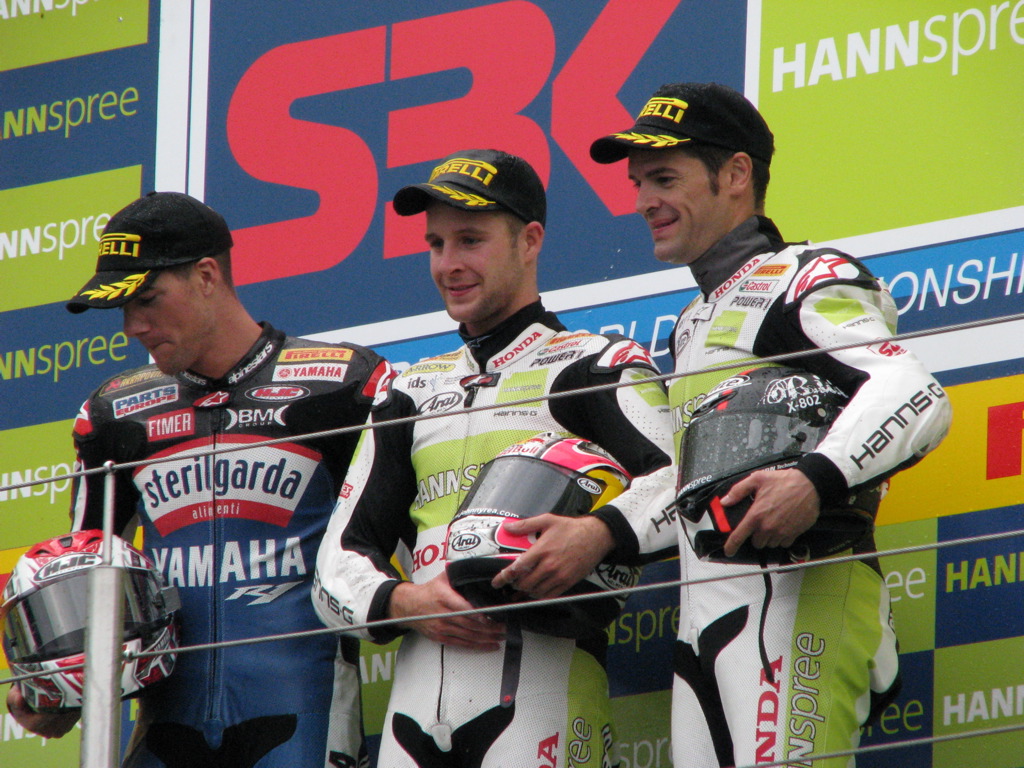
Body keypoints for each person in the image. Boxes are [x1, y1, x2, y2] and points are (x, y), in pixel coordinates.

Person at [589, 82, 952, 767]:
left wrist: (813, 481)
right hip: (704, 624)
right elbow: (688, 487)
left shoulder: (803, 277)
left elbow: (913, 390)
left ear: (735, 175)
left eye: (664, 178)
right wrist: (600, 533)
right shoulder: (692, 321)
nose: (643, 202)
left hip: (800, 602)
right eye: (638, 184)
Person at [312, 149, 676, 767]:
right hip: (411, 710)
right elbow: (334, 567)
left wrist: (595, 534)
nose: (448, 264)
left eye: (470, 240)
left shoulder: (594, 364)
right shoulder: (409, 391)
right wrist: (405, 603)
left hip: (547, 692)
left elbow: (677, 482)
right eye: (436, 244)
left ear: (529, 240)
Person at [6, 191, 394, 768]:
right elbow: (84, 573)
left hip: (304, 719)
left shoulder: (343, 386)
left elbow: (407, 549)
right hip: (165, 730)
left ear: (207, 275)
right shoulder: (115, 416)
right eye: (123, 308)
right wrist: (56, 693)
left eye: (147, 299)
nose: (133, 326)